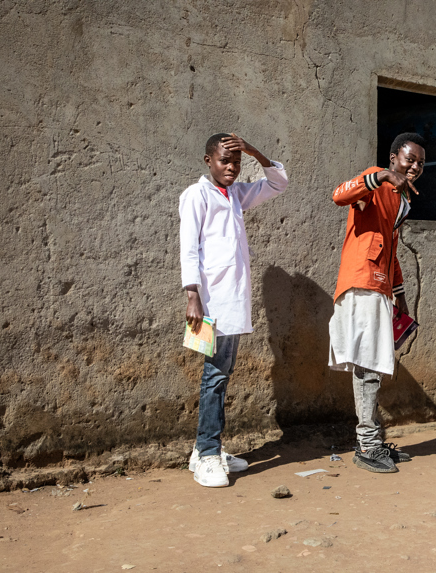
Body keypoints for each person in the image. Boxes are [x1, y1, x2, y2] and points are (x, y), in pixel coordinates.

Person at [179, 133, 288, 487]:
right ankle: (208, 454)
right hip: (209, 303)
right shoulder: (197, 195)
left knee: (221, 374)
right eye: (225, 161)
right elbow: (189, 248)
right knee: (214, 375)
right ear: (207, 161)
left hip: (232, 299)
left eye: (237, 162)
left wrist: (254, 152)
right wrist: (192, 295)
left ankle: (204, 448)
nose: (232, 168)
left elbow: (278, 182)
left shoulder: (237, 194)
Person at [328, 132, 425, 473]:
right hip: (362, 282)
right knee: (368, 366)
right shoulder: (376, 181)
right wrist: (382, 175)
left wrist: (401, 297)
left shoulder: (400, 201)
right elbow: (339, 195)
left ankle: (370, 439)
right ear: (394, 156)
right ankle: (367, 444)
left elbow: (391, 250)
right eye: (409, 159)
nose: (414, 166)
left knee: (373, 366)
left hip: (380, 288)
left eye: (420, 163)